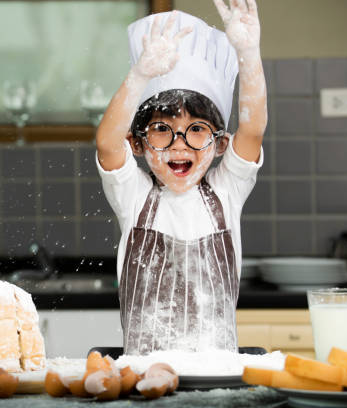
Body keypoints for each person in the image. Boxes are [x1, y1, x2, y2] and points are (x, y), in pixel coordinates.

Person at [95, 0, 267, 355]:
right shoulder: (134, 197)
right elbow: (106, 142)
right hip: (144, 374)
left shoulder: (227, 191)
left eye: (196, 130)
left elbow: (252, 128)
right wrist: (140, 75)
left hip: (218, 376)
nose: (179, 145)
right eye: (161, 129)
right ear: (137, 144)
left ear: (221, 144)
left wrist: (248, 53)